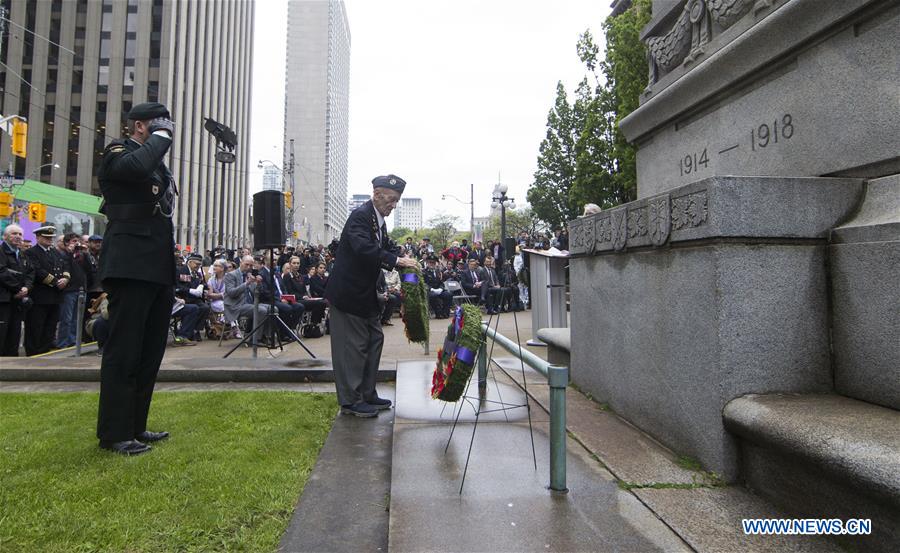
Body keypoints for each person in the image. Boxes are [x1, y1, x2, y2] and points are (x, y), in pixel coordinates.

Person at [95, 102, 178, 456]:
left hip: (155, 264)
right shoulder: (119, 152)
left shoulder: (153, 161)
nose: (166, 134)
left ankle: (135, 426)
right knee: (125, 350)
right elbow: (136, 168)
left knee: (149, 350)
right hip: (130, 263)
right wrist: (160, 137)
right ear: (140, 126)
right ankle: (114, 433)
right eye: (159, 126)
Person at [325, 174, 418, 417]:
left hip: (364, 296)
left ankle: (367, 392)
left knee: (374, 340)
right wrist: (398, 261)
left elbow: (383, 246)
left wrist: (402, 255)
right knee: (352, 347)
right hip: (348, 296)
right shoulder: (360, 217)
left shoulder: (377, 220)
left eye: (396, 201)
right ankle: (351, 400)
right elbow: (365, 249)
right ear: (376, 194)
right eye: (391, 200)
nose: (394, 205)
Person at [23, 226, 69, 356]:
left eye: (51, 238)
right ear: (38, 238)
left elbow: (65, 265)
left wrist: (65, 278)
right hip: (40, 296)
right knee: (35, 327)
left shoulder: (54, 252)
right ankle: (33, 354)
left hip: (55, 297)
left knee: (50, 327)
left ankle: (44, 352)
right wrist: (56, 282)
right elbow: (37, 271)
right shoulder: (31, 252)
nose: (49, 240)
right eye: (46, 237)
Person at [0, 224, 34, 356]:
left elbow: (30, 273)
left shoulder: (22, 255)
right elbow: (2, 272)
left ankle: (12, 360)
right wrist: (18, 289)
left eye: (20, 234)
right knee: (2, 333)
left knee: (15, 333)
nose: (18, 237)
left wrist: (26, 288)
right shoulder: (1, 252)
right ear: (5, 236)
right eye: (14, 234)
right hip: (4, 300)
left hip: (18, 301)